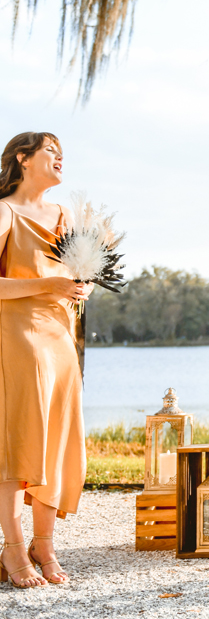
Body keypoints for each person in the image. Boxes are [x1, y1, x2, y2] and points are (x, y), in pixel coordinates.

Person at [0, 132, 92, 589]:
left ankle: (45, 543)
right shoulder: (4, 211)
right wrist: (48, 286)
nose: (60, 159)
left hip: (60, 337)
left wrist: (81, 285)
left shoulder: (64, 214)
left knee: (56, 440)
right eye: (50, 152)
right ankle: (14, 547)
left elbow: (77, 272)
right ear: (22, 158)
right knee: (22, 443)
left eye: (62, 153)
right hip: (19, 338)